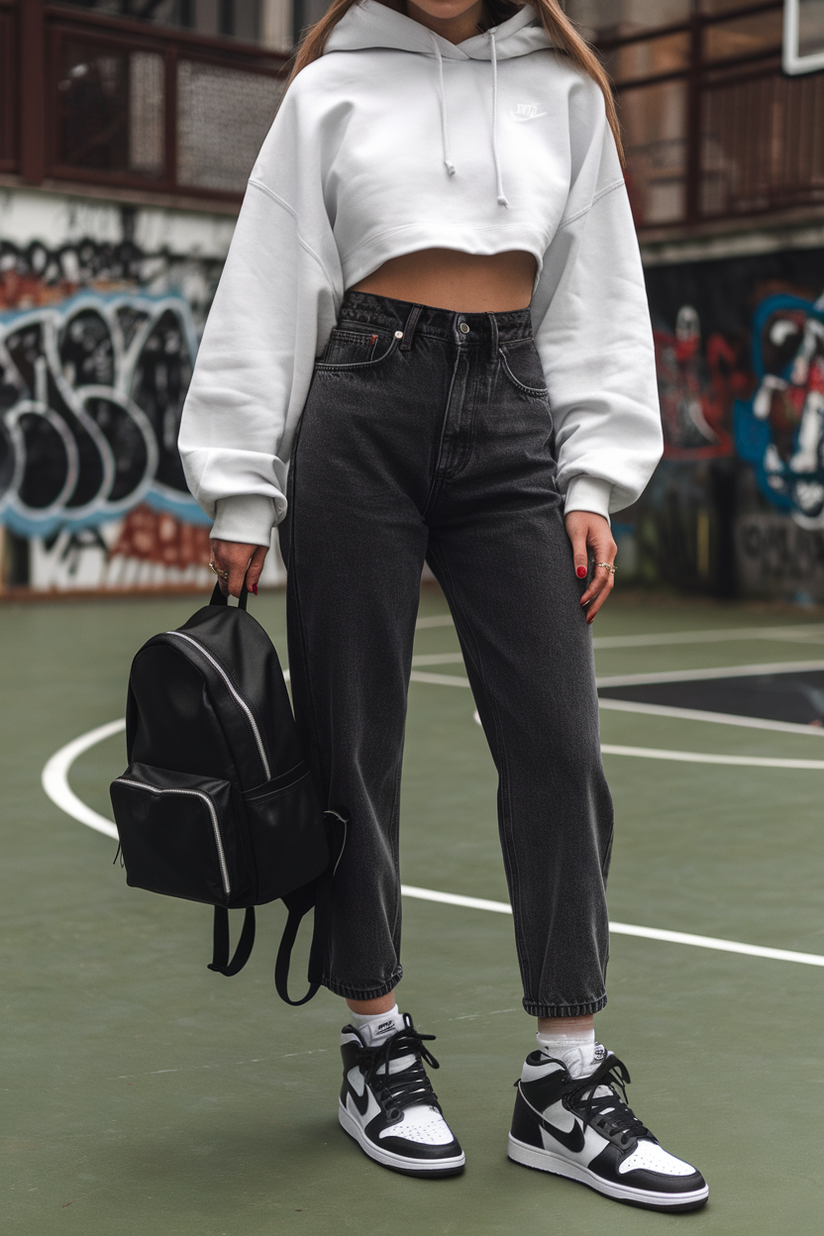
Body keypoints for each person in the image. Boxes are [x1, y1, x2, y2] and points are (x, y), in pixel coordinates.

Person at [178, 0, 708, 1211]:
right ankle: (374, 1043)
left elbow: (595, 291)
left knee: (559, 746)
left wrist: (591, 477)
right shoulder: (329, 92)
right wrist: (240, 495)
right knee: (352, 744)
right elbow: (270, 284)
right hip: (357, 406)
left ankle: (562, 1081)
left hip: (514, 412)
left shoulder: (566, 94)